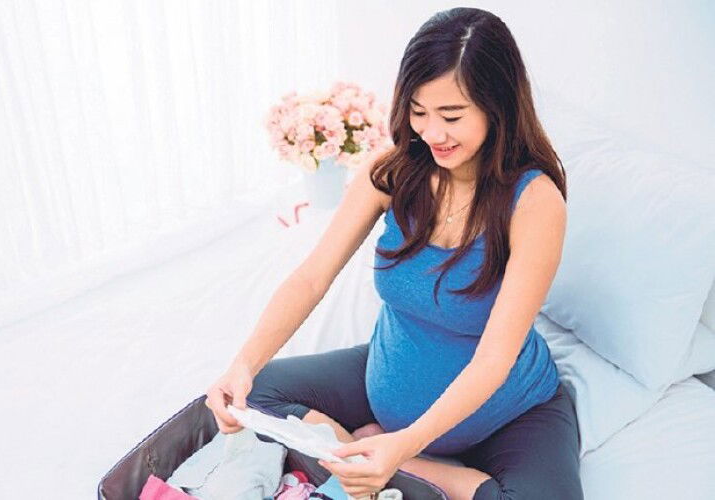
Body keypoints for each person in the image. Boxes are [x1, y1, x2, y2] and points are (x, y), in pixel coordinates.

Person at [205, 7, 583, 500]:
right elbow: (312, 277)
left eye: (452, 116)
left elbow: (495, 358)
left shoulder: (535, 202)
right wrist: (243, 363)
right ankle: (374, 456)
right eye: (418, 112)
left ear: (499, 107)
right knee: (257, 392)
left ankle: (414, 469)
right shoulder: (391, 172)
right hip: (387, 378)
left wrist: (401, 449)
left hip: (508, 411)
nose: (432, 133)